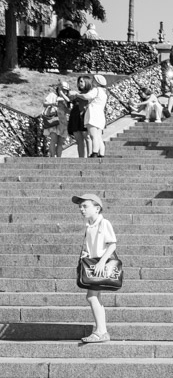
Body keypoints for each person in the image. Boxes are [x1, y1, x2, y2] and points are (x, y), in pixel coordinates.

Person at [73, 194, 117, 344]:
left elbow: (112, 244)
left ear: (97, 208)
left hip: (99, 266)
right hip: (93, 266)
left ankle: (100, 331)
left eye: (85, 206)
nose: (81, 209)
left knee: (91, 297)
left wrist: (101, 263)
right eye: (80, 206)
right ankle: (102, 331)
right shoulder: (89, 226)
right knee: (95, 297)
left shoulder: (104, 223)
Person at [71, 73, 108, 158]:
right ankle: (101, 153)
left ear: (97, 82)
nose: (92, 81)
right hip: (100, 115)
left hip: (93, 114)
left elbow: (87, 96)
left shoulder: (96, 89)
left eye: (94, 80)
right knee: (98, 136)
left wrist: (77, 94)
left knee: (93, 135)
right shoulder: (104, 92)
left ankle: (94, 153)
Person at [65, 75, 91, 158]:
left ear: (87, 82)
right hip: (76, 117)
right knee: (79, 140)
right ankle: (81, 159)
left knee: (87, 137)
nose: (80, 83)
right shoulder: (77, 94)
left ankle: (90, 157)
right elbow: (69, 103)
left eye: (82, 81)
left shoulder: (90, 94)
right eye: (79, 81)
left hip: (85, 117)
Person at [43, 81, 71, 157]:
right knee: (53, 140)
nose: (64, 91)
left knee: (60, 143)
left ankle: (58, 159)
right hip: (54, 120)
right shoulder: (52, 95)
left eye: (66, 90)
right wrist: (53, 103)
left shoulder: (66, 98)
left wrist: (65, 103)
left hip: (62, 122)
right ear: (58, 88)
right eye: (62, 89)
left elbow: (69, 110)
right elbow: (44, 104)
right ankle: (52, 158)